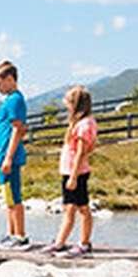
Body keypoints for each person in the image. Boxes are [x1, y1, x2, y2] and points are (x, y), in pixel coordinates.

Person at [47, 85, 98, 257]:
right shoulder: (78, 123)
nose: (66, 106)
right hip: (69, 171)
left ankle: (84, 243)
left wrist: (74, 176)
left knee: (82, 208)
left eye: (68, 103)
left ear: (76, 104)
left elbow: (81, 152)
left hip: (76, 172)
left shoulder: (84, 125)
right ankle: (60, 242)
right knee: (69, 208)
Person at [0, 60, 29, 249]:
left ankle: (20, 236)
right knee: (8, 197)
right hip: (1, 156)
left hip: (8, 157)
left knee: (14, 195)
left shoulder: (15, 100)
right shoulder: (9, 100)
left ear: (10, 79)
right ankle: (11, 233)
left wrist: (9, 157)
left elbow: (17, 129)